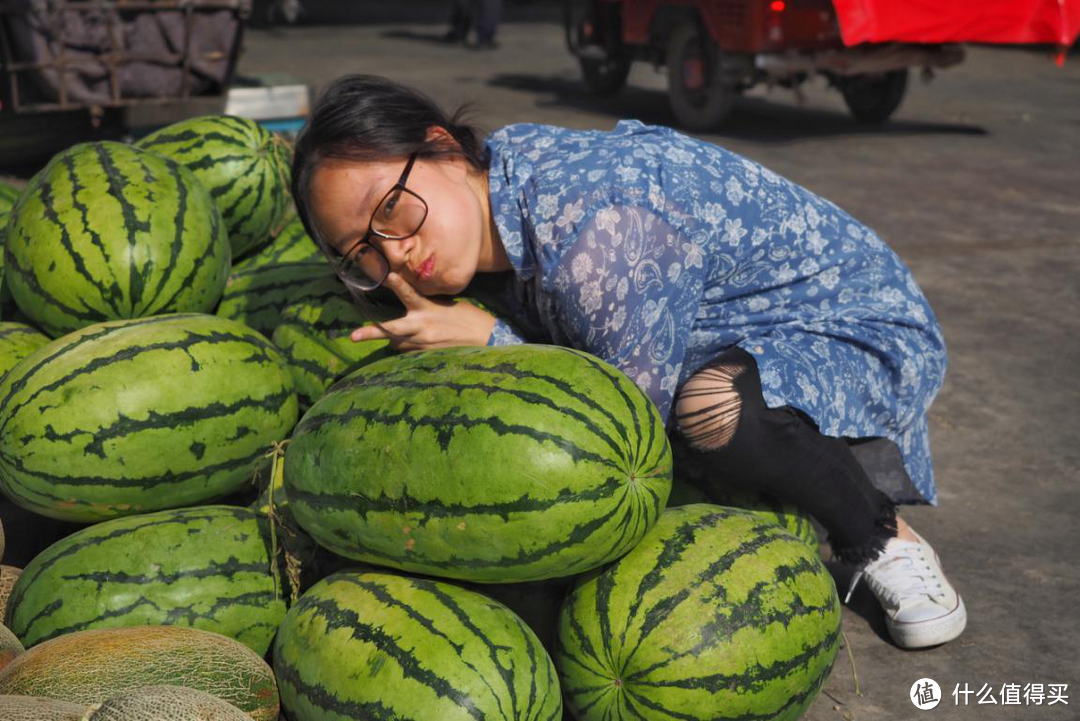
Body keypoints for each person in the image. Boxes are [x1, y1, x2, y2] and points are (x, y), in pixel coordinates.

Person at [290, 74, 968, 650]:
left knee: (712, 411)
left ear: (440, 145)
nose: (394, 256)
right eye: (361, 255)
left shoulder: (598, 223)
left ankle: (880, 538)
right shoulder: (492, 191)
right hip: (711, 333)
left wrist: (490, 340)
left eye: (391, 210)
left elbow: (622, 436)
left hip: (853, 323)